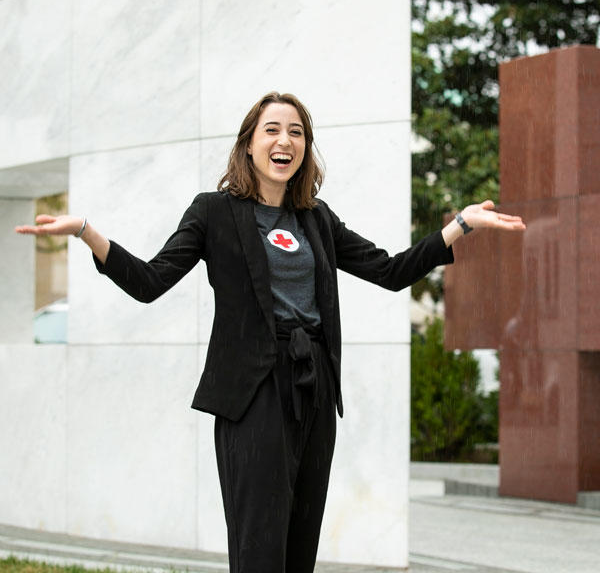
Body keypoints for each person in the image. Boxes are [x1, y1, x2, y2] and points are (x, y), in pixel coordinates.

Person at [15, 91, 525, 573]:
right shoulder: (213, 212)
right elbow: (150, 282)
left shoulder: (316, 219)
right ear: (249, 142)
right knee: (259, 542)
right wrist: (86, 231)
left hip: (313, 384)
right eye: (273, 130)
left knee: (300, 542)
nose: (285, 141)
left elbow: (390, 271)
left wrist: (460, 223)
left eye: (297, 132)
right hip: (252, 390)